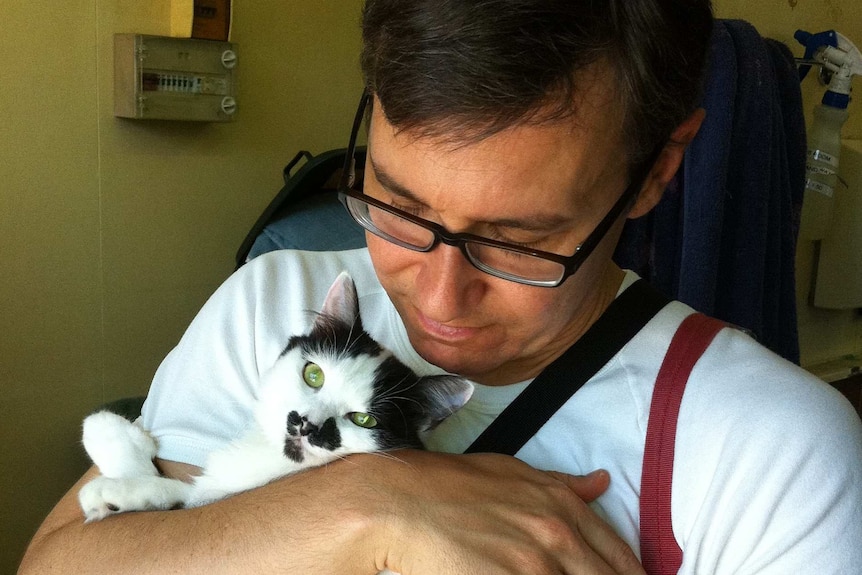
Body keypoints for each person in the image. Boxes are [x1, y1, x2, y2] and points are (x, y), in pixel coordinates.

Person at [20, 0, 862, 573]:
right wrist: (367, 502)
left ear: (657, 172)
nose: (438, 297)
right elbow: (60, 560)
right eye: (397, 203)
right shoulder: (272, 305)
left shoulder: (773, 450)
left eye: (518, 240)